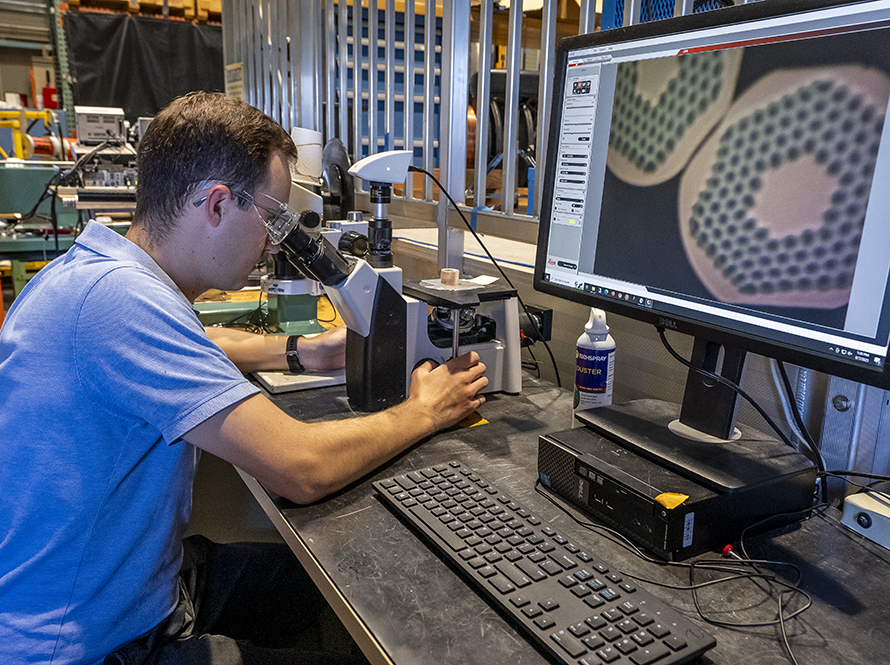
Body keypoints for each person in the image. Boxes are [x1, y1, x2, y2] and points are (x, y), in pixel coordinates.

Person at [0, 91, 488, 665]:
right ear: (216, 204)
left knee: (339, 586)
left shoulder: (100, 270)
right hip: (91, 645)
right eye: (272, 216)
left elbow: (201, 345)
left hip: (138, 588)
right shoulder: (121, 301)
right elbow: (303, 469)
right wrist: (424, 409)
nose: (274, 240)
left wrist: (305, 351)